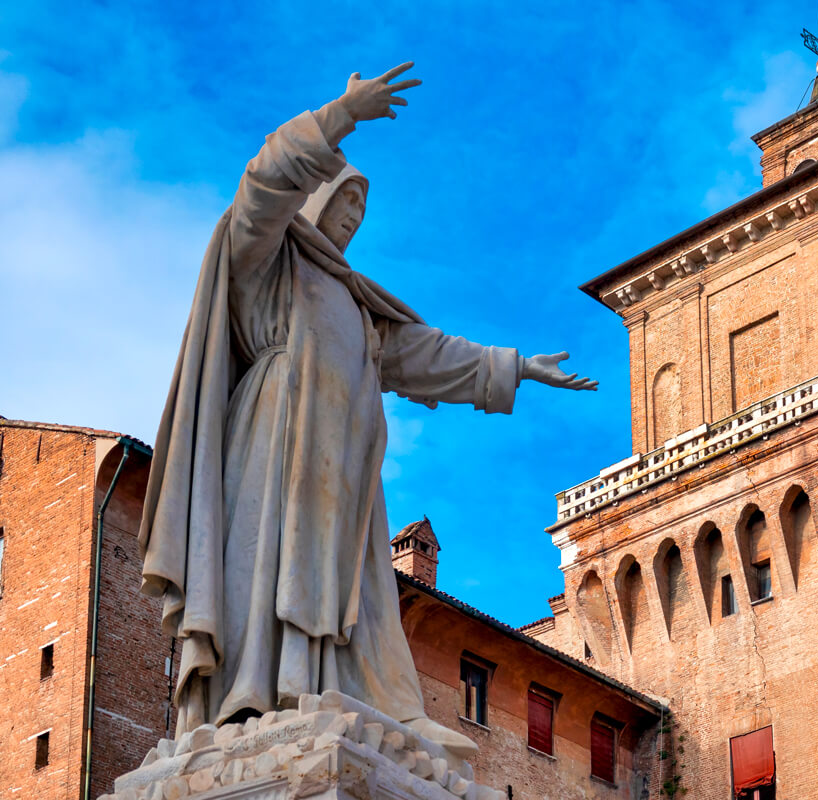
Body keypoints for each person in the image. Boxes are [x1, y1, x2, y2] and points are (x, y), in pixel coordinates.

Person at [137, 63, 596, 756]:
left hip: (344, 468)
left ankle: (364, 698)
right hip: (276, 443)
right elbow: (262, 186)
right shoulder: (266, 259)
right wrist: (340, 116)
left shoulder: (356, 300)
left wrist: (516, 367)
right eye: (344, 200)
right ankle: (264, 692)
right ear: (314, 196)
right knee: (271, 567)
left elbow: (429, 354)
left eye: (361, 207)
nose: (353, 216)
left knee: (361, 589)